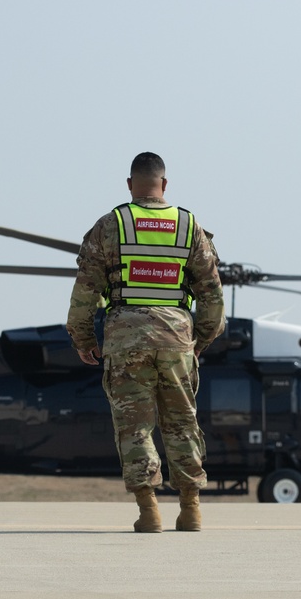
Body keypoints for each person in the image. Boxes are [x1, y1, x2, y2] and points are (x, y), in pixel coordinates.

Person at [66, 152, 225, 533]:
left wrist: (84, 337)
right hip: (176, 338)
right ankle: (191, 509)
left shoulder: (111, 225)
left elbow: (85, 290)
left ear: (129, 184)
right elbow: (212, 293)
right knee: (182, 422)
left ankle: (149, 509)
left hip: (125, 339)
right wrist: (200, 339)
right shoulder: (189, 226)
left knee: (135, 426)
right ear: (164, 184)